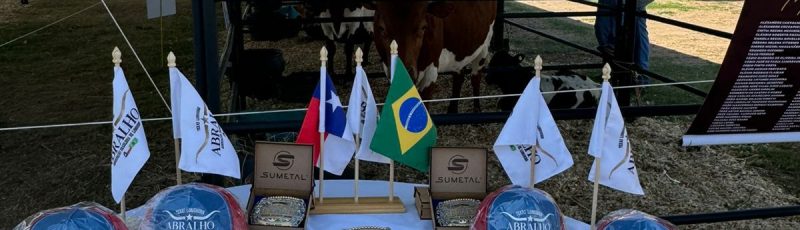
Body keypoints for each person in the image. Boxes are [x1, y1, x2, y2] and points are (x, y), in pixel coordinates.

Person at [595, 0, 654, 84]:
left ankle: (639, 78)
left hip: (628, 6)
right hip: (616, 5)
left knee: (638, 41)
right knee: (607, 38)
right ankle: (617, 74)